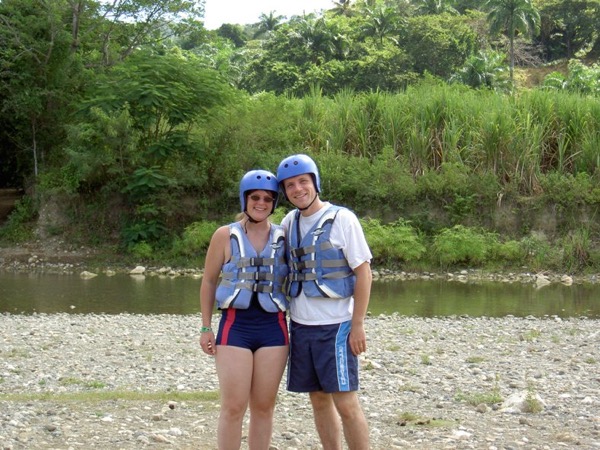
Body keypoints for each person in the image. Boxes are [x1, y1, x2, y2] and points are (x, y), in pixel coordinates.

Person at [276, 154, 373, 450]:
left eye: (303, 181)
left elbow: (364, 272)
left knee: (346, 403)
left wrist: (358, 324)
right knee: (318, 399)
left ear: (315, 182)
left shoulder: (342, 219)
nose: (298, 189)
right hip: (301, 326)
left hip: (337, 326)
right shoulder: (289, 222)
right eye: (290, 185)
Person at [199, 169, 289, 450]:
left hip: (273, 328)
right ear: (245, 199)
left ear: (274, 203)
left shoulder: (284, 236)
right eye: (255, 197)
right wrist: (205, 327)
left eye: (267, 199)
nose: (261, 203)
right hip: (235, 327)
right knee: (233, 407)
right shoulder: (224, 235)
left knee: (264, 407)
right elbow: (209, 281)